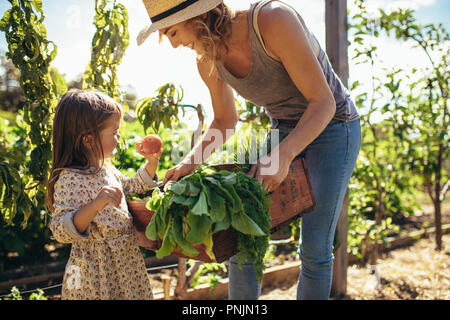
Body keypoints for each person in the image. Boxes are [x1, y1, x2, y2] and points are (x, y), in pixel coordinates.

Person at [137, 0, 361, 299]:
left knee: (315, 246)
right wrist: (188, 164)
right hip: (282, 128)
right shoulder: (207, 59)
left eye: (173, 32)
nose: (175, 45)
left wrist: (283, 154)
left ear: (199, 15)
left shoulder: (272, 21)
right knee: (242, 237)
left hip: (334, 126)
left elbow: (324, 103)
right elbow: (225, 121)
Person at [47, 89, 161, 300]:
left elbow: (133, 186)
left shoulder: (106, 169)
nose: (119, 137)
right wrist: (95, 205)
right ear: (89, 140)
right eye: (114, 132)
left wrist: (151, 163)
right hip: (95, 270)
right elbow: (60, 230)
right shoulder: (70, 178)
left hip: (125, 262)